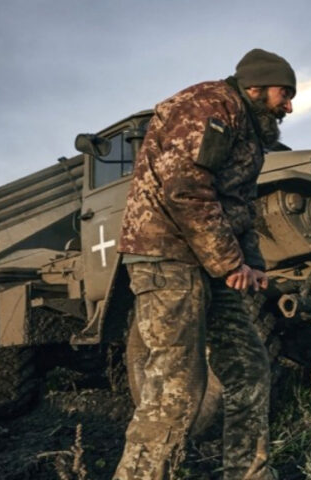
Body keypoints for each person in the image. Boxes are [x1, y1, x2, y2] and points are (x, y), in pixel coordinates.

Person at [113, 48, 296, 480]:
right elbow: (186, 190)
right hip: (168, 257)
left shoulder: (247, 129)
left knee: (250, 369)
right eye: (283, 93)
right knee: (176, 389)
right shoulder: (209, 108)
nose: (289, 106)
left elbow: (239, 209)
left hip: (210, 265)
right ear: (255, 86)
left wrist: (251, 267)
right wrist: (231, 262)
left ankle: (248, 474)